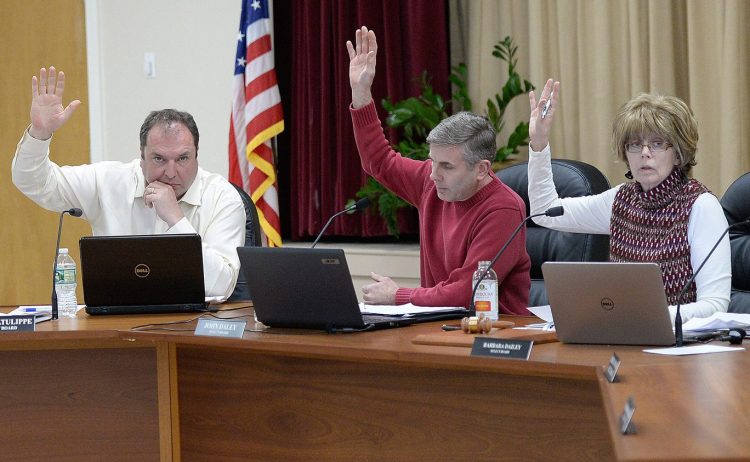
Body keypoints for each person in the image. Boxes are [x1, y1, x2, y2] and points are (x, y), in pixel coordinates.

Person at [12, 66, 246, 300]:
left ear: (197, 156)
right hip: (118, 326)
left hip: (193, 330)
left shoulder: (222, 197)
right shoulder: (107, 182)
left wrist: (176, 220)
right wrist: (39, 134)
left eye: (183, 158)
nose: (172, 172)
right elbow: (33, 182)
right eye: (159, 159)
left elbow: (221, 287)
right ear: (141, 156)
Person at [347, 27, 531, 313]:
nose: (434, 174)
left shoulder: (504, 210)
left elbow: (465, 291)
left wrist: (398, 295)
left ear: (481, 169)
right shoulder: (429, 182)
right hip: (435, 327)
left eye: (446, 165)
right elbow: (378, 162)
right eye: (432, 161)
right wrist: (361, 95)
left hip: (493, 337)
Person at [527, 79, 731, 323]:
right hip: (626, 336)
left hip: (682, 346)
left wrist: (648, 316)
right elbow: (543, 212)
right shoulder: (621, 200)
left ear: (678, 154)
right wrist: (539, 143)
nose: (645, 152)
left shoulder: (701, 206)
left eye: (657, 143)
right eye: (635, 144)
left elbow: (716, 306)